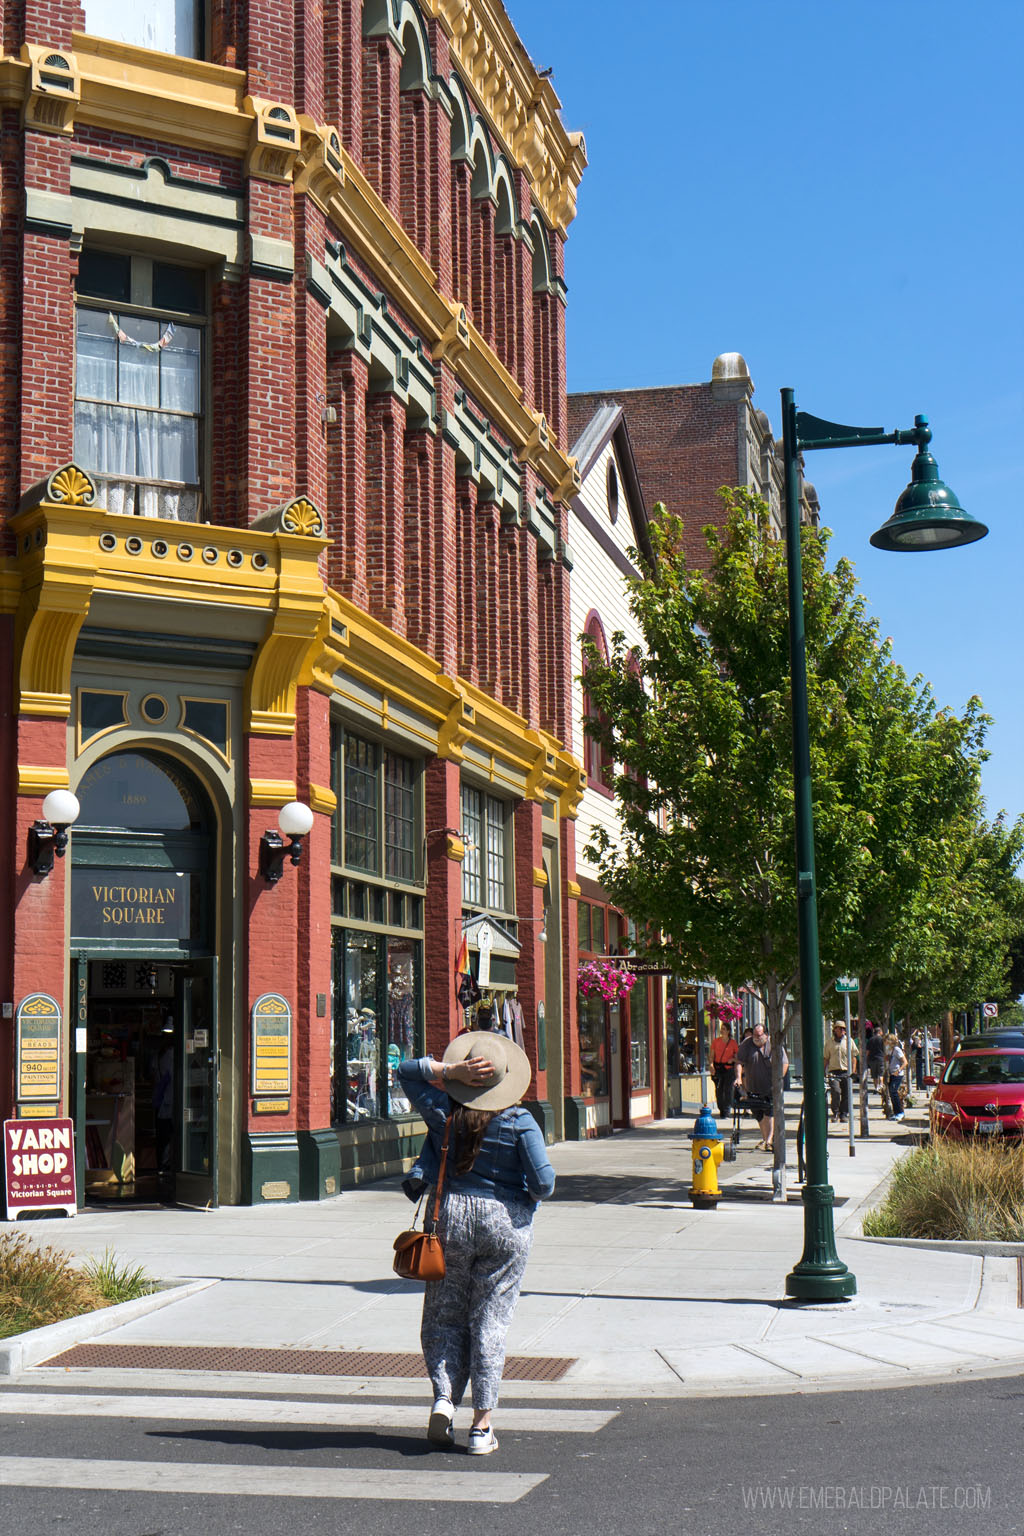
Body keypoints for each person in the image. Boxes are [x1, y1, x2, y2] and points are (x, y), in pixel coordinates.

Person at [397, 1031, 555, 1456]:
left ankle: (444, 1399)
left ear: (466, 1077)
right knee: (490, 1320)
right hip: (505, 1223)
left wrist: (449, 1071)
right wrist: (521, 1198)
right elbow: (543, 1184)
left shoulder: (443, 1110)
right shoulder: (521, 1121)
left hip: (451, 1216)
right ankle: (482, 1426)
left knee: (444, 1315)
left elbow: (405, 1072)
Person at [733, 1022, 787, 1152]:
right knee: (759, 1115)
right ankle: (766, 1140)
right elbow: (739, 1062)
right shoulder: (746, 1044)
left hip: (770, 1086)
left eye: (759, 1035)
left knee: (769, 1112)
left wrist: (778, 1080)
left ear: (766, 1035)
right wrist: (739, 1077)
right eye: (754, 1035)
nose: (756, 1038)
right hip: (752, 1086)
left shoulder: (774, 1045)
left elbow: (784, 1063)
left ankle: (768, 1140)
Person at [823, 1021, 858, 1123]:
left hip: (846, 1071)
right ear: (835, 1029)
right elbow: (826, 1058)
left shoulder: (849, 1041)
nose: (843, 1030)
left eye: (844, 1029)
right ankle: (836, 1113)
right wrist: (823, 1071)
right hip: (833, 1071)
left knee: (846, 1093)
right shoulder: (829, 1042)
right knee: (836, 1091)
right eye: (840, 1028)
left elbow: (854, 1057)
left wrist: (854, 1071)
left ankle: (844, 1114)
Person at [884, 1032, 907, 1121]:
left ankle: (900, 1112)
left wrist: (898, 1071)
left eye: (886, 1041)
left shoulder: (897, 1050)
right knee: (891, 1093)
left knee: (894, 1092)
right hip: (892, 1073)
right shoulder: (891, 1050)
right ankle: (896, 1112)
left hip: (897, 1074)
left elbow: (905, 1062)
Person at [864, 1024, 885, 1099]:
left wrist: (866, 1059)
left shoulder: (870, 1040)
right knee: (881, 1073)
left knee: (874, 1075)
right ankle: (881, 1086)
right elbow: (885, 1050)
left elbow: (867, 1051)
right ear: (879, 1032)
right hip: (881, 1058)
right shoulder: (882, 1040)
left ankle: (876, 1088)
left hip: (872, 1059)